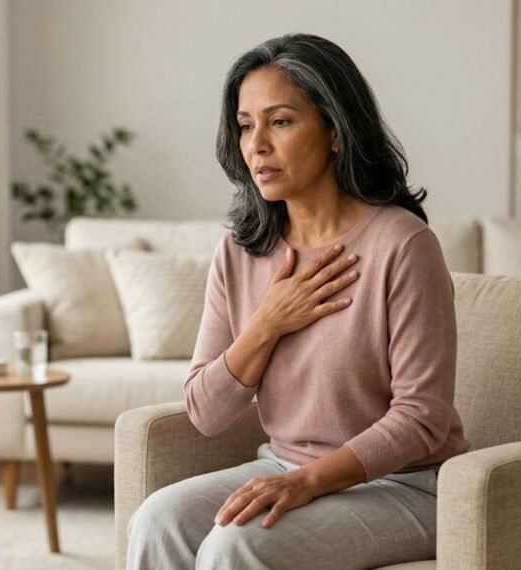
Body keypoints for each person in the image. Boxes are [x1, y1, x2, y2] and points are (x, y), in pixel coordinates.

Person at [126, 33, 470, 569]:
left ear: (334, 130)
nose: (256, 144)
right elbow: (206, 412)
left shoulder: (402, 245)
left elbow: (423, 417)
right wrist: (267, 322)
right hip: (285, 464)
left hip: (403, 486)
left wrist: (309, 482)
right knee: (157, 521)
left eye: (280, 121)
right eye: (245, 125)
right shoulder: (241, 251)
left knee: (236, 544)